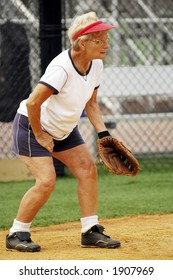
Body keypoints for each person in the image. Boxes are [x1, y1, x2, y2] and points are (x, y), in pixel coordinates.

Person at [6, 11, 121, 252]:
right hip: (32, 125)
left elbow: (91, 103)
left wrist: (104, 134)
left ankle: (90, 231)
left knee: (88, 170)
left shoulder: (96, 65)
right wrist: (39, 134)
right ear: (82, 43)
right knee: (47, 180)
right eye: (99, 40)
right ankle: (17, 232)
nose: (106, 45)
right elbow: (33, 103)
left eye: (105, 40)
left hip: (63, 129)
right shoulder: (62, 68)